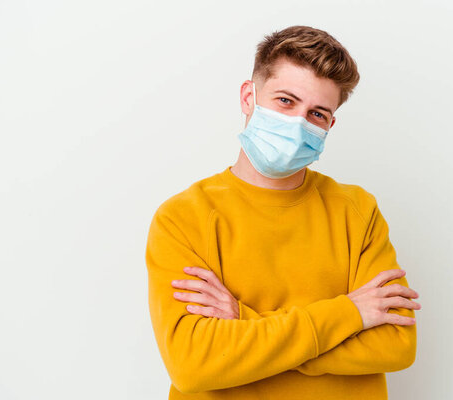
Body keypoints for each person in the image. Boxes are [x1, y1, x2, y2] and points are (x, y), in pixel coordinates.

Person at [145, 25, 421, 400]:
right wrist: (349, 315)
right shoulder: (183, 218)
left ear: (330, 124)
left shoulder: (357, 211)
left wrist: (245, 322)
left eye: (318, 113)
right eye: (286, 101)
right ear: (249, 96)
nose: (298, 124)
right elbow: (192, 364)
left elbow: (395, 344)